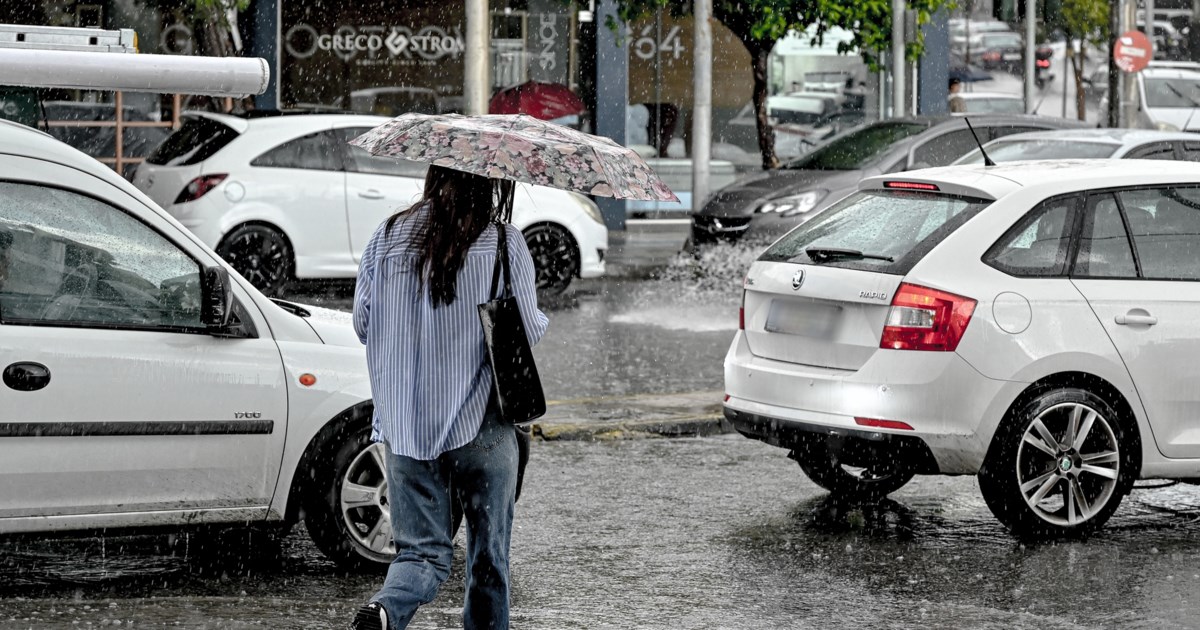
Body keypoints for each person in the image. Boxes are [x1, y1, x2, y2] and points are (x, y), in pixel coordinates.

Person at [350, 164, 549, 630]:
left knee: (420, 553)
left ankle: (386, 610)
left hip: (405, 427)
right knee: (488, 554)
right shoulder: (503, 242)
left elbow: (363, 323)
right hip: (480, 425)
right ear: (489, 182)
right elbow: (529, 330)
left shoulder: (387, 235)